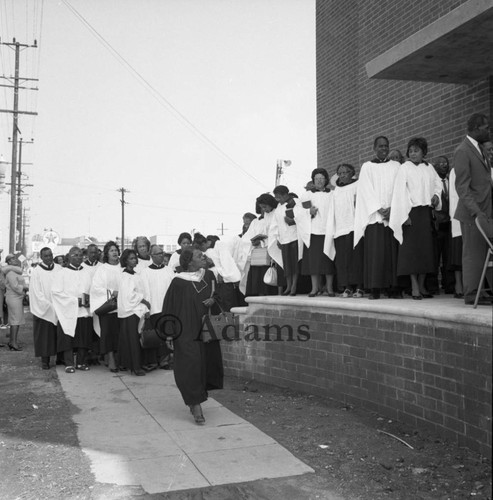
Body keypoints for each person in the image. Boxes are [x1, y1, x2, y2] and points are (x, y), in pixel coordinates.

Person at [161, 247, 223, 425]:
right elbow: (169, 308)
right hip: (186, 330)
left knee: (205, 364)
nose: (203, 256)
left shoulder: (209, 275)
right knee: (190, 365)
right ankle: (196, 405)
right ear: (189, 262)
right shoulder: (178, 283)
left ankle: (196, 398)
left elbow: (218, 294)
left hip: (206, 329)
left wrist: (213, 299)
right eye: (199, 255)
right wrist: (169, 334)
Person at [389, 137, 442, 299]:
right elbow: (399, 192)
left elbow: (437, 184)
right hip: (411, 213)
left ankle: (422, 284)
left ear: (423, 152)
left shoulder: (429, 168)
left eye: (416, 150)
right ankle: (414, 287)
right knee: (412, 252)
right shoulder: (405, 168)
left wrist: (436, 195)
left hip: (426, 213)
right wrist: (403, 215)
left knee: (425, 251)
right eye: (410, 151)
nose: (413, 154)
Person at [354, 136, 401, 299]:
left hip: (392, 215)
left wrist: (393, 207)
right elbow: (365, 190)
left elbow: (400, 188)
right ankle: (374, 288)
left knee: (392, 253)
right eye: (380, 146)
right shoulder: (367, 167)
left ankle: (392, 287)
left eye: (386, 146)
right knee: (375, 254)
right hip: (374, 216)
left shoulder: (396, 166)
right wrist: (379, 209)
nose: (383, 149)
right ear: (374, 148)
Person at [453, 113, 492, 305]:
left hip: (486, 212)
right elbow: (462, 187)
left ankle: (484, 292)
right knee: (473, 254)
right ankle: (471, 294)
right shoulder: (463, 151)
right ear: (476, 129)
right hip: (473, 214)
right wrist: (476, 212)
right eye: (486, 127)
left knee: (486, 253)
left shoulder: (479, 149)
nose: (488, 130)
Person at [324, 164, 364, 298]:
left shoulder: (359, 185)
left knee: (356, 259)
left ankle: (359, 287)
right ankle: (347, 287)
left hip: (355, 227)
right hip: (340, 229)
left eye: (345, 172)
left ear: (352, 173)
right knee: (343, 260)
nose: (342, 175)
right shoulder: (336, 191)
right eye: (339, 173)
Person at [51, 247, 93, 372]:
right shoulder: (61, 274)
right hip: (67, 311)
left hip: (83, 311)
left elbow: (92, 290)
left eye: (80, 255)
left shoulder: (86, 273)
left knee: (83, 338)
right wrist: (75, 301)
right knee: (67, 338)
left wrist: (89, 300)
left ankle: (81, 362)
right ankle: (69, 363)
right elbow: (56, 293)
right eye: (75, 255)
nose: (79, 257)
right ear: (68, 257)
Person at [298, 168, 335, 297]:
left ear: (326, 180)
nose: (319, 181)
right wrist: (309, 212)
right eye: (316, 179)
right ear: (313, 180)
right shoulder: (308, 195)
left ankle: (329, 287)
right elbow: (299, 212)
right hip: (313, 232)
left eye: (322, 178)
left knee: (328, 259)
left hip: (328, 231)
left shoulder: (332, 194)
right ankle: (314, 288)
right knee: (314, 262)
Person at [117, 248, 150, 375]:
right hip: (130, 311)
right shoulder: (125, 276)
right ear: (125, 261)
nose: (134, 260)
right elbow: (129, 296)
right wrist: (143, 300)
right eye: (131, 258)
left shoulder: (136, 275)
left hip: (138, 309)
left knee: (138, 338)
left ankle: (138, 364)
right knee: (132, 340)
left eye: (135, 257)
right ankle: (135, 367)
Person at [90, 241, 122, 373]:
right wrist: (111, 293)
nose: (114, 252)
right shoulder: (102, 269)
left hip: (122, 306)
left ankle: (118, 358)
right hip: (108, 306)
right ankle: (111, 359)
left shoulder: (123, 267)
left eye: (115, 250)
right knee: (108, 334)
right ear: (106, 254)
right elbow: (96, 288)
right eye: (111, 250)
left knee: (119, 334)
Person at [141, 244, 174, 369]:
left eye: (162, 253)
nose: (161, 256)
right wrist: (147, 309)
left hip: (167, 308)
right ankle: (154, 361)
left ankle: (165, 361)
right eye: (158, 254)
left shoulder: (168, 270)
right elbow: (145, 291)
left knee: (167, 334)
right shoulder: (145, 272)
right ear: (152, 256)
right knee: (155, 335)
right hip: (153, 308)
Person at [29, 247, 61, 369]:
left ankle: (60, 359)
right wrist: (48, 305)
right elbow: (36, 292)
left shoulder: (59, 269)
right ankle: (45, 361)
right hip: (44, 309)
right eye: (46, 256)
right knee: (44, 336)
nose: (48, 258)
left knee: (58, 335)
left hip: (59, 306)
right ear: (41, 257)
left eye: (50, 255)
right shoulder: (37, 271)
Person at [427, 156, 455, 294]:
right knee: (435, 257)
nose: (444, 165)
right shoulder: (433, 183)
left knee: (449, 257)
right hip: (437, 224)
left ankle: (449, 285)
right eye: (441, 163)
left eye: (446, 163)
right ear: (434, 166)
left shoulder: (452, 181)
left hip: (450, 224)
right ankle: (432, 286)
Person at [272, 185, 300, 296]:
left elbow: (303, 216)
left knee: (294, 264)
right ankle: (288, 285)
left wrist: (293, 220)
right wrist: (277, 238)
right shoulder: (278, 207)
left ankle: (294, 286)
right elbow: (275, 225)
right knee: (287, 265)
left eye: (279, 197)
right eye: (276, 197)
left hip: (294, 237)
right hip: (283, 239)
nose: (277, 199)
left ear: (285, 194)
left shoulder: (295, 202)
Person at [4, 255, 28, 351]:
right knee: (15, 321)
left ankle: (12, 341)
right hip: (13, 298)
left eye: (15, 258)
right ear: (8, 262)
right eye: (12, 259)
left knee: (16, 320)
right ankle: (13, 343)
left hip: (17, 297)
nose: (15, 260)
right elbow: (15, 286)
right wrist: (24, 288)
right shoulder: (10, 272)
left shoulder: (15, 271)